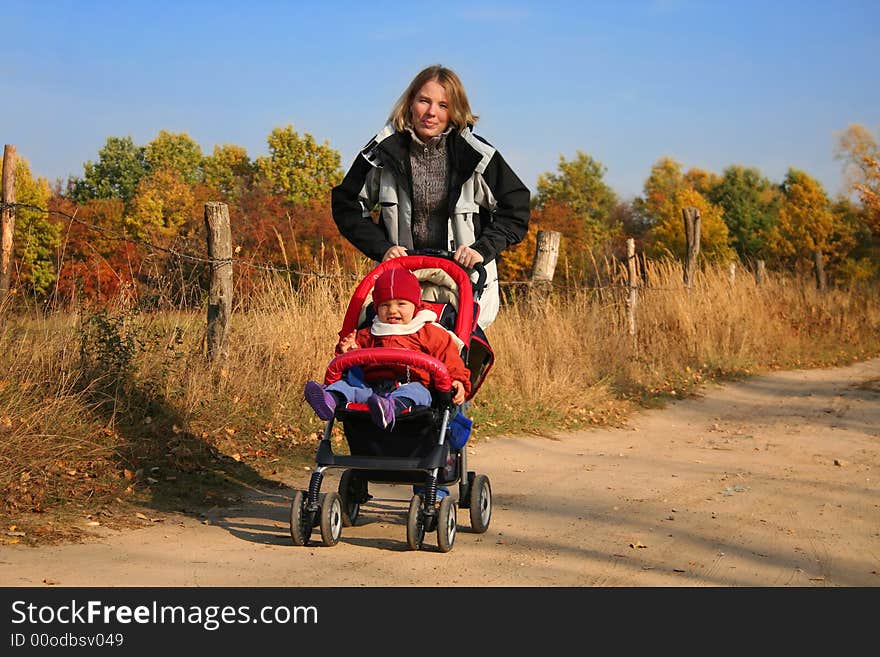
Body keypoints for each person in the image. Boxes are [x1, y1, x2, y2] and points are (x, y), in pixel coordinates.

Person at [331, 64, 530, 330]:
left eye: (443, 105)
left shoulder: (477, 155)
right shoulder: (383, 150)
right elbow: (346, 204)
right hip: (401, 284)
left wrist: (480, 250)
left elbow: (515, 209)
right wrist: (382, 248)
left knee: (453, 361)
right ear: (410, 102)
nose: (431, 112)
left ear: (455, 110)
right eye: (424, 101)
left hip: (463, 286)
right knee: (390, 357)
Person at [303, 266, 471, 430]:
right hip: (371, 390)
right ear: (376, 308)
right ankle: (329, 399)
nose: (392, 310)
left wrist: (458, 381)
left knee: (417, 392)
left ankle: (390, 408)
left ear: (415, 305)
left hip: (412, 386)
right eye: (384, 305)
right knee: (348, 387)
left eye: (401, 304)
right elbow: (352, 366)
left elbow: (451, 360)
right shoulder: (369, 333)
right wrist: (347, 351)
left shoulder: (430, 333)